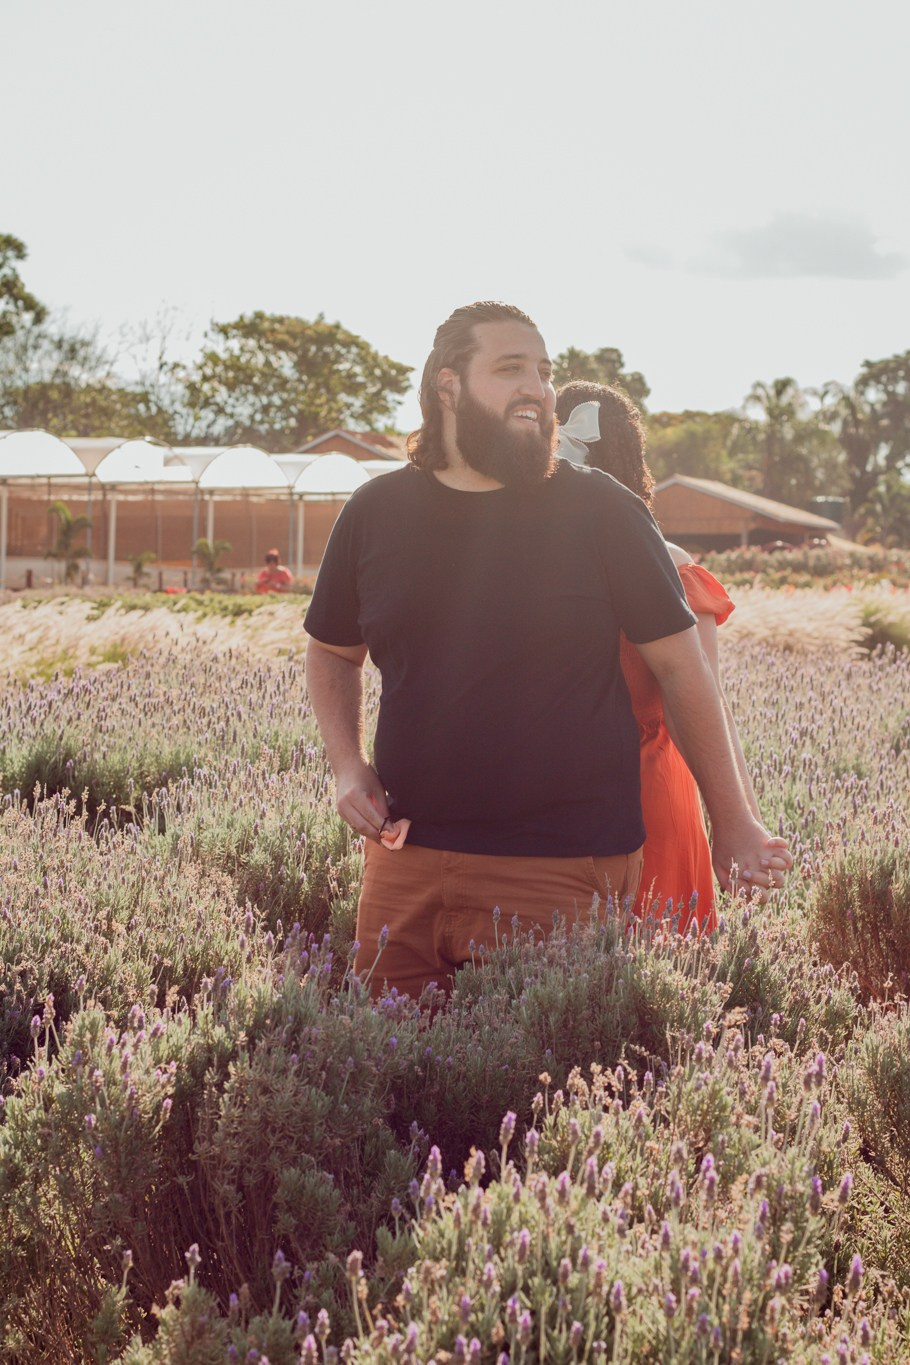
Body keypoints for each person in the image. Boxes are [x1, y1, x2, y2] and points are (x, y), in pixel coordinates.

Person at [304, 301, 790, 999]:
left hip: (563, 865)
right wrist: (348, 767)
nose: (537, 386)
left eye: (543, 370)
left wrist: (735, 823)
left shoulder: (604, 514)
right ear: (447, 385)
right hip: (403, 861)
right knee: (387, 1080)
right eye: (510, 368)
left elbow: (684, 671)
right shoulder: (374, 512)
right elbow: (330, 651)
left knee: (538, 1088)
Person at [555, 381, 778, 930]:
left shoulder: (533, 570)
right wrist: (740, 823)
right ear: (634, 458)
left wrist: (741, 823)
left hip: (557, 786)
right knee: (660, 974)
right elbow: (708, 703)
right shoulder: (672, 564)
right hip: (649, 787)